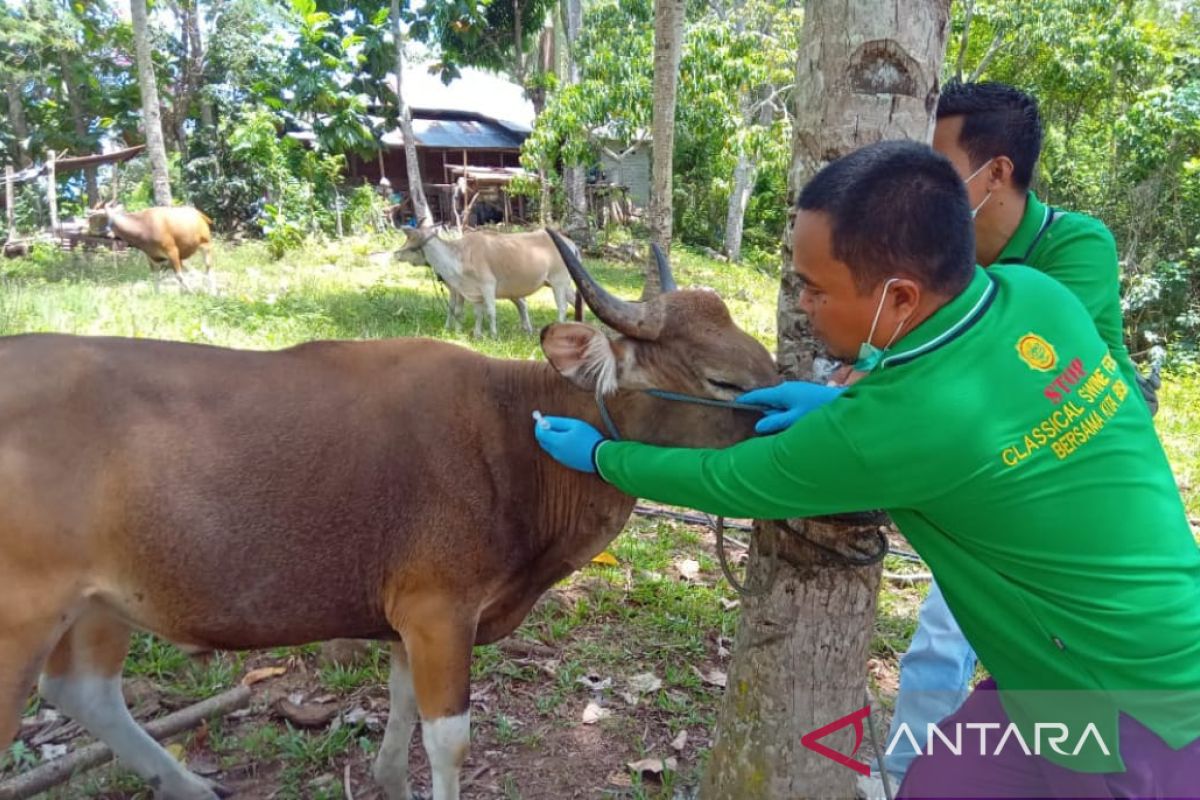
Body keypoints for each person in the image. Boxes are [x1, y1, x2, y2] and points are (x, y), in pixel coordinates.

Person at [533, 140, 1200, 798]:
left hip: (1133, 708)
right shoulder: (1037, 295)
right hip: (1062, 667)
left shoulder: (890, 429)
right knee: (942, 786)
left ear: (901, 299)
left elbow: (727, 480)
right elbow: (983, 409)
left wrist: (601, 456)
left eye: (817, 289)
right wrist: (835, 398)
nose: (801, 306)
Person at [854, 82, 1162, 793]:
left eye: (940, 164)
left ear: (994, 172)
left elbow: (1022, 371)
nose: (928, 184)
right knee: (940, 641)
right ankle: (910, 777)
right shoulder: (948, 261)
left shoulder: (1075, 247)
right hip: (986, 497)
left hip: (1074, 509)